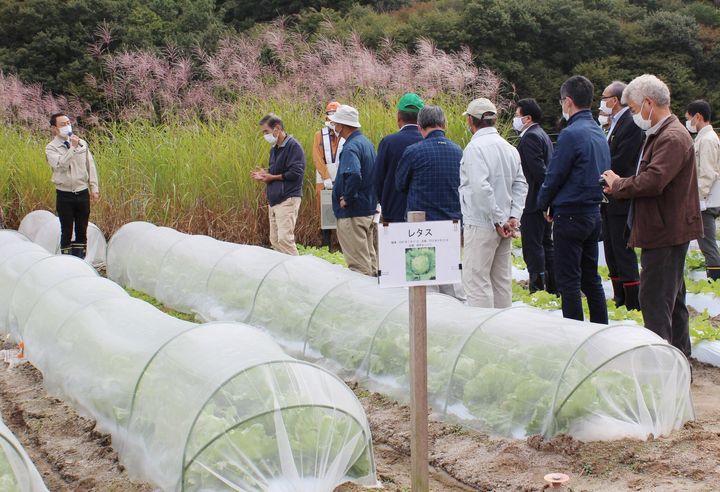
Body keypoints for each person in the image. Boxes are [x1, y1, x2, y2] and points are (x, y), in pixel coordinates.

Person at [602, 74, 703, 358]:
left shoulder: (671, 136)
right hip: (666, 228)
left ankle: (662, 370)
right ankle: (680, 361)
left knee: (656, 302)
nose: (634, 116)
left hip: (665, 231)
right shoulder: (663, 132)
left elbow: (653, 180)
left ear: (648, 103)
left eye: (634, 110)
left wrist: (618, 184)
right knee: (673, 301)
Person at [537, 75, 610, 324]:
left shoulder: (571, 134)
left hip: (570, 213)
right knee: (591, 279)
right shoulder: (598, 132)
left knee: (568, 280)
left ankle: (574, 335)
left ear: (568, 101)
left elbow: (555, 174)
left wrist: (543, 204)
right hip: (593, 212)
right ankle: (600, 327)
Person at [460, 98, 527, 308]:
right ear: (494, 120)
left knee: (477, 282)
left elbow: (481, 189)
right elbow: (521, 184)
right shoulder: (509, 148)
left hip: (483, 223)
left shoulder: (475, 148)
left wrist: (499, 221)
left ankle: (481, 335)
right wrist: (513, 217)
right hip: (505, 224)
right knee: (501, 282)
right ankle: (502, 333)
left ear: (471, 120)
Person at [599, 81, 643, 310]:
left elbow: (623, 160)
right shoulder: (613, 123)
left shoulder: (631, 123)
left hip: (621, 194)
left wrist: (607, 176)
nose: (602, 101)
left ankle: (632, 301)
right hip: (609, 196)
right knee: (611, 249)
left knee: (622, 249)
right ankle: (619, 297)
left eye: (604, 97)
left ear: (614, 100)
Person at [329, 105, 378, 276]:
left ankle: (365, 300)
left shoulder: (351, 147)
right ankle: (376, 297)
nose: (334, 127)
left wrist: (347, 198)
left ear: (342, 125)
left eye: (336, 123)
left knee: (358, 267)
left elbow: (354, 174)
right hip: (368, 209)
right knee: (371, 260)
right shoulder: (366, 143)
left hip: (353, 213)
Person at [513, 98, 556, 294]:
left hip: (532, 201)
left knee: (533, 246)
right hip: (542, 200)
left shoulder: (530, 137)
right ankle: (554, 287)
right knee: (546, 243)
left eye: (517, 115)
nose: (515, 119)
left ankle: (537, 288)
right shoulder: (542, 134)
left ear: (527, 118)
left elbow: (539, 171)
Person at [45, 113, 99, 259]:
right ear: (54, 129)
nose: (67, 126)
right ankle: (66, 262)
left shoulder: (82, 143)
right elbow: (60, 166)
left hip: (82, 193)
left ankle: (80, 261)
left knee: (82, 230)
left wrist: (94, 188)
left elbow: (90, 165)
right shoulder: (51, 148)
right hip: (64, 195)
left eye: (68, 122)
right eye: (62, 124)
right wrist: (72, 149)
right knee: (67, 230)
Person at [252, 113, 306, 256]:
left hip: (288, 198)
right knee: (275, 240)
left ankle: (298, 273)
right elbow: (277, 172)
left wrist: (272, 177)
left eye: (266, 132)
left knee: (285, 239)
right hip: (274, 200)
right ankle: (284, 273)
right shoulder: (274, 149)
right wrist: (265, 174)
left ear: (277, 129)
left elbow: (296, 173)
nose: (265, 135)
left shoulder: (293, 146)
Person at [374, 92, 425, 222]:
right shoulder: (427, 141)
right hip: (424, 214)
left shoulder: (388, 142)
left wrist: (385, 203)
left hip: (393, 212)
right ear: (422, 118)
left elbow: (378, 179)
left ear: (398, 116)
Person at [686, 99, 720, 281]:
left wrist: (698, 200)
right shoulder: (705, 138)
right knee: (706, 243)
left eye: (688, 118)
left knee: (707, 244)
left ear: (698, 117)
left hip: (705, 202)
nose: (688, 122)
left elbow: (708, 173)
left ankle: (715, 282)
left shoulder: (707, 140)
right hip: (705, 199)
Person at [312, 101, 344, 247]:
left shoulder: (345, 134)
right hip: (323, 178)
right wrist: (326, 177)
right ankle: (326, 245)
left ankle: (341, 246)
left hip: (341, 176)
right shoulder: (319, 135)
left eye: (334, 115)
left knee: (342, 208)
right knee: (325, 210)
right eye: (329, 114)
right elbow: (317, 157)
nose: (331, 118)